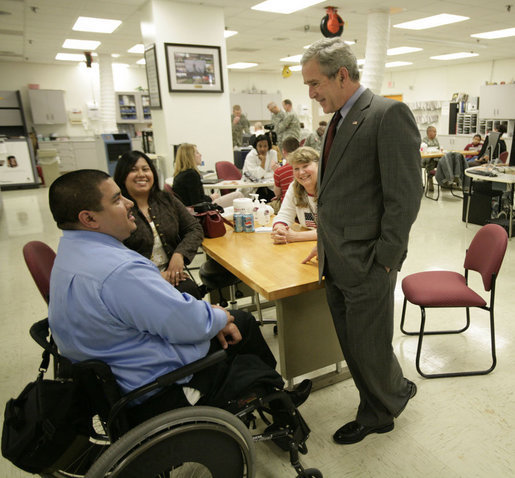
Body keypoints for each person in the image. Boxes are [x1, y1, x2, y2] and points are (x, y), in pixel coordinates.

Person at [47, 170, 310, 423]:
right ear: (89, 219)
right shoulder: (119, 270)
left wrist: (209, 318)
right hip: (155, 387)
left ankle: (272, 397)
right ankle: (278, 403)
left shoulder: (70, 254)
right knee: (241, 324)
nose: (127, 203)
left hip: (115, 376)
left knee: (226, 321)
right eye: (117, 199)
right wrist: (220, 316)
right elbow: (189, 324)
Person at [301, 37, 421, 445]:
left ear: (342, 75)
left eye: (315, 84)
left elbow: (404, 196)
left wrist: (386, 259)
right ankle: (397, 388)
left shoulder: (388, 115)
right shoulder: (336, 119)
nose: (311, 93)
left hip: (369, 259)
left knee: (367, 346)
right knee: (356, 342)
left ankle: (377, 414)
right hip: (336, 256)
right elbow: (338, 189)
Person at [113, 151, 203, 299]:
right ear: (122, 176)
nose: (141, 174)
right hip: (136, 283)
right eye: (133, 170)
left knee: (191, 292)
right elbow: (114, 257)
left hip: (173, 276)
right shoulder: (117, 210)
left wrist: (180, 254)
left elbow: (194, 228)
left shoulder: (166, 200)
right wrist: (156, 277)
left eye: (145, 169)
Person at [172, 143, 243, 208]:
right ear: (190, 157)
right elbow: (197, 202)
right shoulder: (191, 175)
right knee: (238, 195)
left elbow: (195, 197)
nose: (200, 155)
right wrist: (211, 198)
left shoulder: (179, 174)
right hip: (200, 211)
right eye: (197, 153)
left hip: (188, 210)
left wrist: (210, 197)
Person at [272, 146, 319, 244]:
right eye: (296, 168)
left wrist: (295, 236)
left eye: (305, 166)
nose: (301, 172)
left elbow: (334, 230)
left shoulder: (331, 187)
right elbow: (284, 215)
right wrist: (280, 230)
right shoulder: (294, 187)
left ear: (319, 165)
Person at [242, 134, 279, 201]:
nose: (262, 149)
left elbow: (275, 172)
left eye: (265, 146)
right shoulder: (251, 156)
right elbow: (257, 176)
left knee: (276, 197)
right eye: (260, 146)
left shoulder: (273, 153)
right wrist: (263, 161)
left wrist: (263, 175)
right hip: (253, 188)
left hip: (269, 187)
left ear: (268, 146)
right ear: (256, 146)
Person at [271, 136, 299, 213]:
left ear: (283, 151)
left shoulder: (279, 171)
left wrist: (276, 172)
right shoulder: (304, 168)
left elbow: (278, 194)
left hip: (287, 207)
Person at [421, 126, 440, 191]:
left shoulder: (436, 140)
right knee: (431, 162)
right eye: (434, 132)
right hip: (426, 160)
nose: (435, 133)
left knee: (444, 160)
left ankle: (445, 181)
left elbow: (439, 149)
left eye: (435, 132)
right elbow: (423, 151)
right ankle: (430, 181)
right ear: (429, 132)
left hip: (436, 158)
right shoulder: (424, 140)